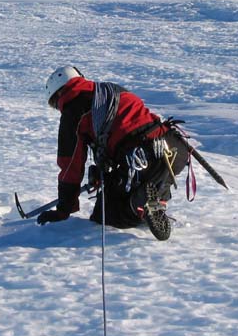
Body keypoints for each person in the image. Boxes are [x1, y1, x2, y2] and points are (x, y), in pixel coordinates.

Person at [37, 65, 190, 241]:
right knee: (153, 181)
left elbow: (70, 164)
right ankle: (155, 203)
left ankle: (139, 205)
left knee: (105, 213)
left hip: (140, 158)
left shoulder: (73, 111)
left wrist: (64, 209)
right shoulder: (111, 90)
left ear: (58, 95)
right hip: (173, 149)